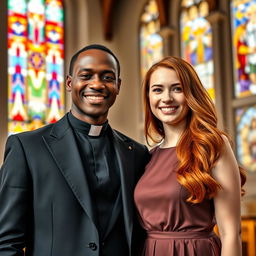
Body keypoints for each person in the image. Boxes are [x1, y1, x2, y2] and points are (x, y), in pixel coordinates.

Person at [0, 44, 150, 256]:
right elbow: (6, 243)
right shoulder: (27, 148)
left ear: (118, 85)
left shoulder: (137, 153)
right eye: (86, 75)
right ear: (70, 83)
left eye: (107, 77)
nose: (97, 84)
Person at [134, 56, 246, 256]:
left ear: (191, 94)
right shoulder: (148, 157)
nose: (166, 98)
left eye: (177, 88)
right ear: (148, 97)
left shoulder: (212, 145)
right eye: (157, 89)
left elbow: (231, 233)